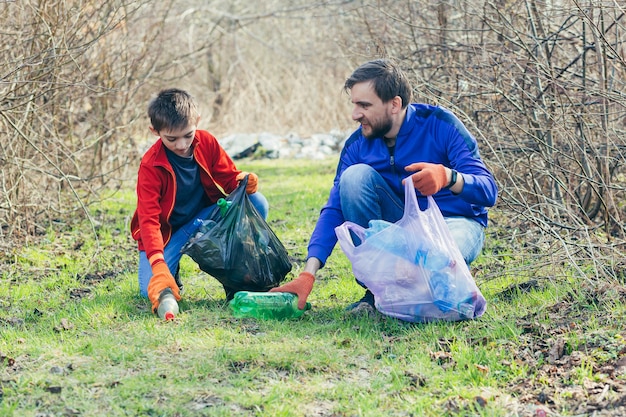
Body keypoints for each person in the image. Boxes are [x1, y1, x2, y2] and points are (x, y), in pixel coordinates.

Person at [271, 59, 498, 312]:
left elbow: (488, 191)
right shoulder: (357, 145)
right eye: (354, 104)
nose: (355, 114)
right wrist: (308, 273)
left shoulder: (440, 124)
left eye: (364, 105)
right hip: (399, 229)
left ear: (395, 104)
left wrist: (449, 177)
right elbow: (334, 209)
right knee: (354, 177)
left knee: (435, 260)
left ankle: (429, 285)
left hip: (453, 225)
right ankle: (379, 290)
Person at [130, 88, 269, 315]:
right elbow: (149, 220)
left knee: (257, 202)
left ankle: (239, 273)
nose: (182, 144)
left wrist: (243, 180)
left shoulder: (206, 142)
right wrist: (158, 263)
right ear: (155, 131)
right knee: (149, 290)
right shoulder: (150, 165)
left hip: (205, 219)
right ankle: (171, 271)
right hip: (170, 234)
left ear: (197, 122)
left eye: (188, 135)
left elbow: (228, 177)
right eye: (171, 139)